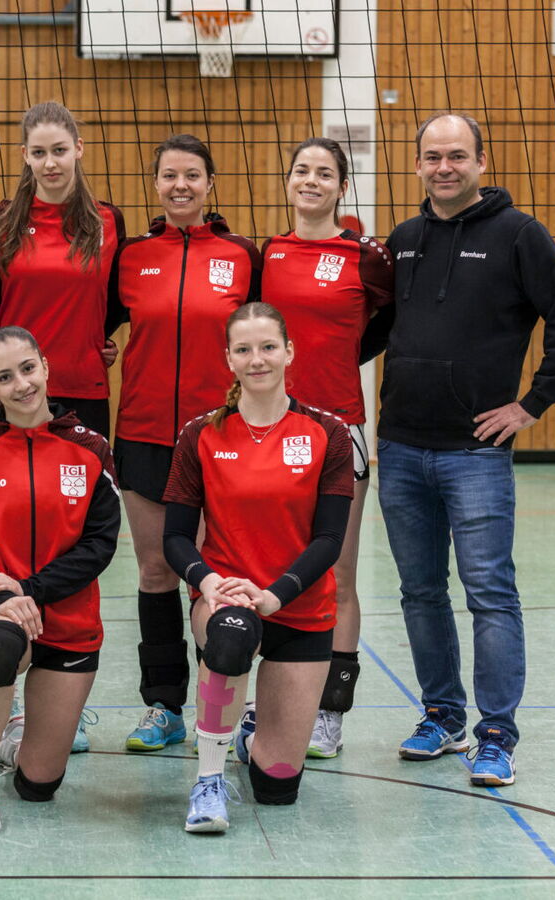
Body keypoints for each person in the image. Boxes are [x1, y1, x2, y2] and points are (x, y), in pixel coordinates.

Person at [367, 112, 555, 786]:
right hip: (402, 448)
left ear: (481, 163)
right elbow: (376, 329)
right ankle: (441, 715)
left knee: (490, 592)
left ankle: (496, 733)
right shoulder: (404, 239)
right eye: (432, 156)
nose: (444, 167)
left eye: (457, 156)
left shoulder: (519, 234)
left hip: (475, 453)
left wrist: (532, 404)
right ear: (416, 166)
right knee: (418, 591)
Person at [162, 302, 353, 832]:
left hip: (298, 604)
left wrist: (276, 594)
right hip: (226, 599)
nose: (257, 359)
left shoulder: (326, 433)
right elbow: (175, 538)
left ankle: (249, 738)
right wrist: (209, 583)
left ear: (289, 351)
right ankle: (208, 780)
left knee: (277, 785)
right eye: (244, 349)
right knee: (229, 635)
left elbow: (330, 539)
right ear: (228, 358)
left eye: (268, 347)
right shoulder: (201, 433)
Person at [105, 134, 261, 752]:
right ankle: (164, 706)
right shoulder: (131, 256)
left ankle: (220, 709)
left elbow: (265, 338)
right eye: (169, 175)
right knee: (153, 571)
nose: (180, 186)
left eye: (192, 176)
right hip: (142, 432)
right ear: (156, 184)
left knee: (215, 576)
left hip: (217, 435)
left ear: (209, 183)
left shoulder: (243, 255)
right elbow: (94, 323)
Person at [0, 326, 120, 833]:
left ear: (44, 365)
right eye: (4, 377)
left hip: (68, 620)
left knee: (38, 786)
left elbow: (99, 546)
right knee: (1, 645)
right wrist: (0, 598)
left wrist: (29, 591)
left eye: (26, 369)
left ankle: (11, 742)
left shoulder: (91, 449)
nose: (21, 384)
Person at [256, 137, 394, 758]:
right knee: (267, 567)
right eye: (301, 171)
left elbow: (388, 324)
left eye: (324, 173)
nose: (310, 181)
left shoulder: (366, 256)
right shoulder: (269, 254)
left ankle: (330, 713)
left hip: (338, 431)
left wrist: (343, 362)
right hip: (269, 433)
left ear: (341, 186)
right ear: (288, 182)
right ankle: (268, 700)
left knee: (336, 575)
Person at [0, 101, 125, 437]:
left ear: (78, 148)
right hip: (14, 386)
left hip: (82, 385)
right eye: (39, 152)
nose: (50, 163)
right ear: (25, 155)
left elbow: (116, 296)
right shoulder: (3, 221)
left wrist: (95, 336)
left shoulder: (107, 220)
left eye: (59, 150)